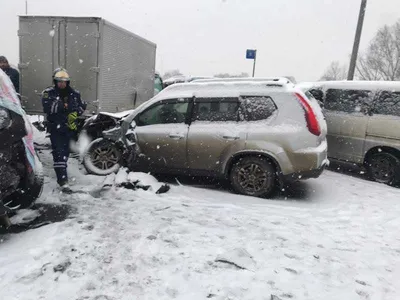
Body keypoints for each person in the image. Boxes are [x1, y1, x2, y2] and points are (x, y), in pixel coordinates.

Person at [41, 68, 87, 191]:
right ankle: (63, 181)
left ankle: (63, 174)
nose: (62, 84)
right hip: (56, 128)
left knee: (65, 153)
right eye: (59, 81)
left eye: (64, 81)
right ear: (55, 82)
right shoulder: (48, 93)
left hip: (70, 129)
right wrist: (63, 105)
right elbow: (48, 108)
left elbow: (82, 105)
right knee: (59, 154)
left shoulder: (74, 93)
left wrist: (76, 113)